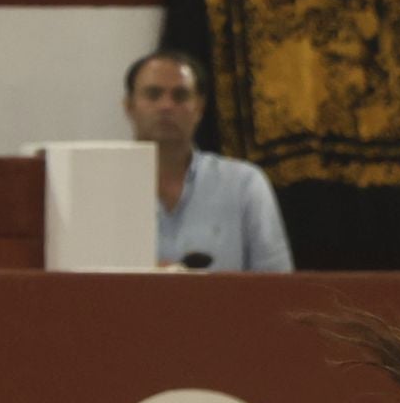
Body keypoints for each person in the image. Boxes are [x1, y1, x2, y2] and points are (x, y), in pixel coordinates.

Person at [123, 50, 293, 273]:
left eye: (180, 96)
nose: (166, 106)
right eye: (153, 94)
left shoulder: (243, 184)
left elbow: (276, 282)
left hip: (226, 307)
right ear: (129, 106)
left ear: (200, 108)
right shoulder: (100, 185)